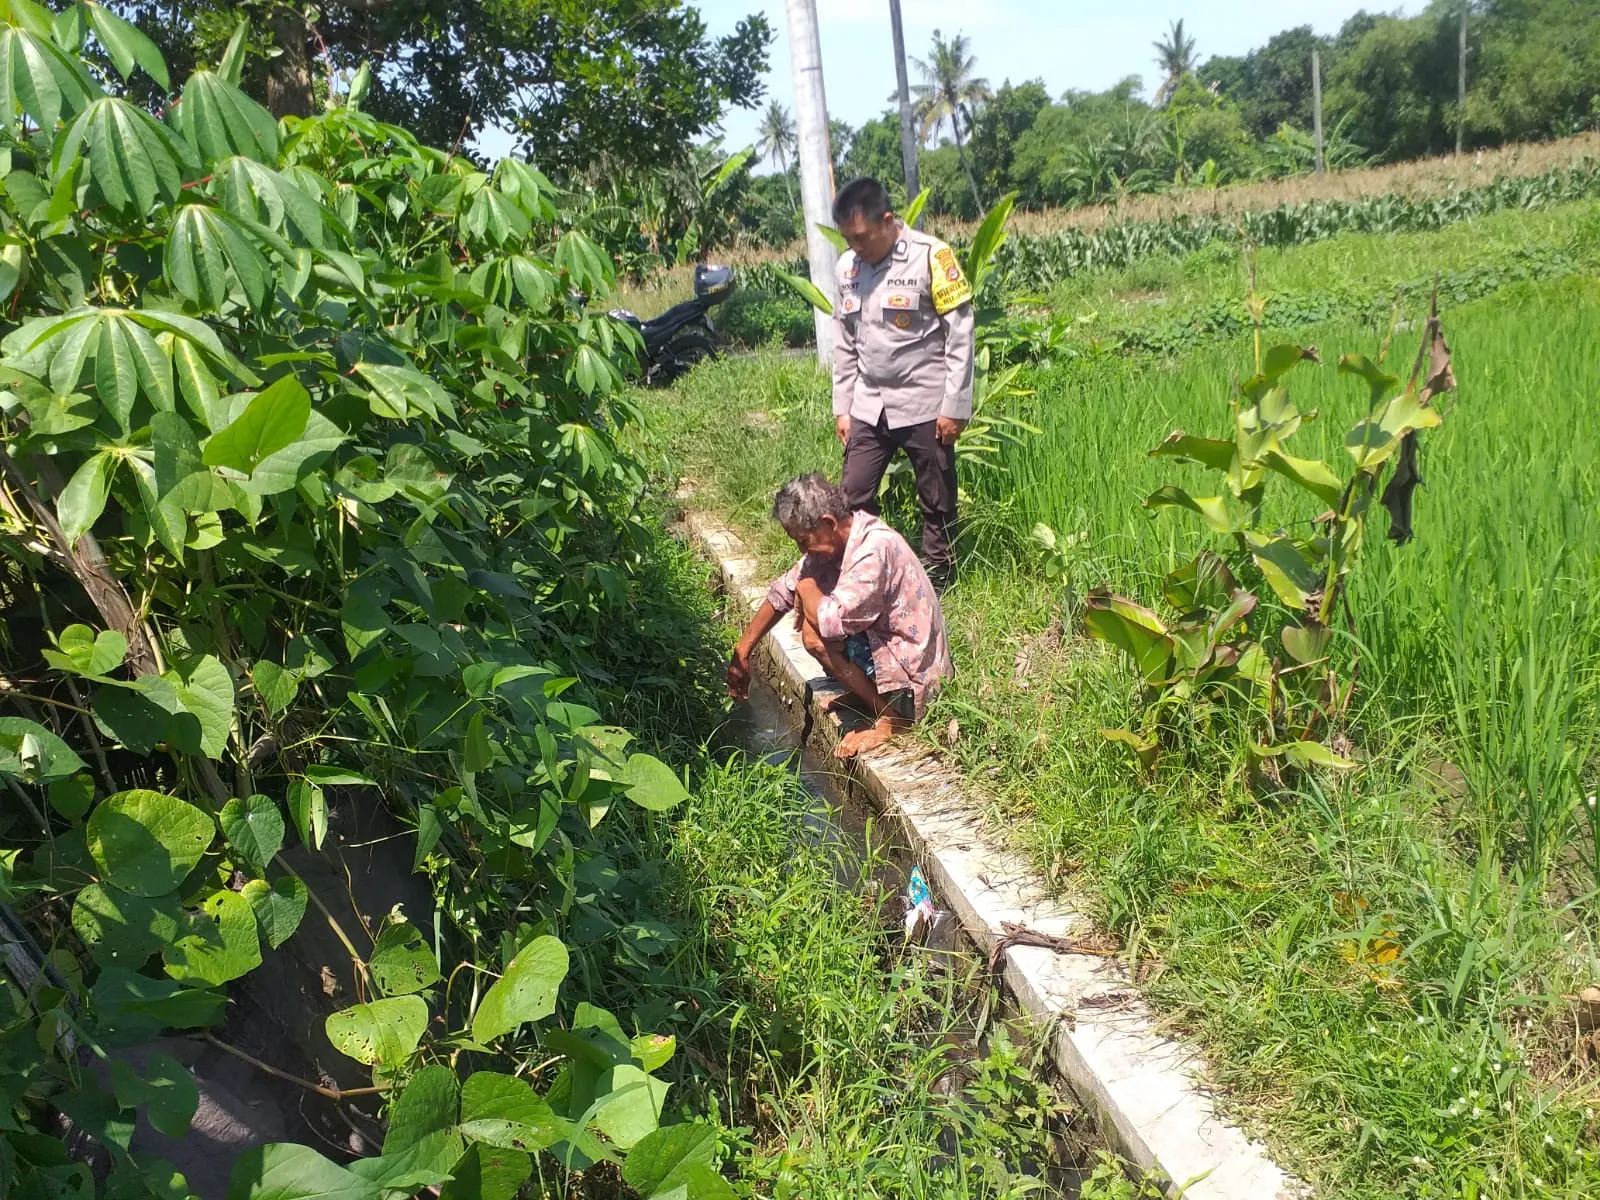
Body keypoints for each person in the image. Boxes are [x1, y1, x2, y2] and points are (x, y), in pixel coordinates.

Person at [726, 473, 954, 759]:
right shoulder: (834, 545)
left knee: (815, 635)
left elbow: (829, 622)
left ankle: (895, 718)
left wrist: (806, 587)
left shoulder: (873, 550)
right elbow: (782, 590)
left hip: (914, 679)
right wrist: (743, 649)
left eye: (803, 541)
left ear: (828, 524)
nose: (801, 550)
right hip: (887, 655)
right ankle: (869, 697)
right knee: (813, 618)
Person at [831, 176, 976, 592]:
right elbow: (845, 341)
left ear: (888, 220)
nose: (855, 248)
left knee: (936, 500)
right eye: (848, 239)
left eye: (860, 237)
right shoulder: (848, 268)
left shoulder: (932, 256)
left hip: (925, 402)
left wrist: (955, 406)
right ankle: (872, 571)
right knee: (853, 496)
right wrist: (843, 405)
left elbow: (961, 334)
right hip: (869, 403)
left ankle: (937, 581)